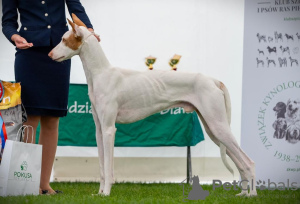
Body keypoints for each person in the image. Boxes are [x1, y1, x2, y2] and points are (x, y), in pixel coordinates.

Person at [2, 0, 100, 195]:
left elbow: (76, 8)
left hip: (59, 52)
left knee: (52, 119)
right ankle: (26, 183)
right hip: (28, 54)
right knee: (30, 119)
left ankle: (44, 185)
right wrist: (15, 37)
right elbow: (8, 22)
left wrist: (88, 30)